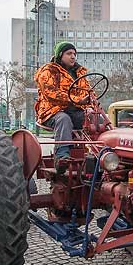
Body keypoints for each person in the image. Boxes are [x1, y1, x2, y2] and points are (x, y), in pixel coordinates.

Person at [34, 41, 92, 169]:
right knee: (63, 119)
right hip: (51, 111)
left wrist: (90, 103)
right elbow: (51, 93)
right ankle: (61, 157)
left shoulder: (80, 72)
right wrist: (77, 100)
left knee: (95, 119)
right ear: (60, 55)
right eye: (69, 53)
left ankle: (101, 153)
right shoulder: (48, 72)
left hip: (75, 111)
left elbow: (87, 90)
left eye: (74, 54)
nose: (73, 57)